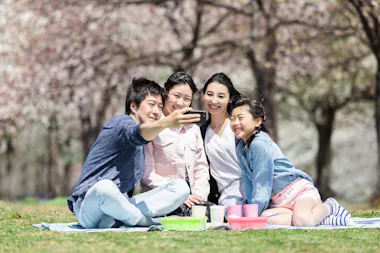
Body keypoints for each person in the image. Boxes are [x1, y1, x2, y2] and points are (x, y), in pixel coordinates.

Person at [67, 77, 201, 228]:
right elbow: (135, 133)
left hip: (120, 205)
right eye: (151, 105)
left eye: (160, 106)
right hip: (90, 206)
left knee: (181, 187)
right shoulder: (120, 123)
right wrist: (167, 122)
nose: (156, 111)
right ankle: (142, 221)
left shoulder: (146, 137)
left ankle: (119, 219)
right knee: (104, 187)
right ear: (133, 106)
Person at [230, 97, 353, 226]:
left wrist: (253, 215)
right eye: (232, 119)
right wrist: (252, 211)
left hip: (298, 193)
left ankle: (329, 206)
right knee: (265, 219)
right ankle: (324, 219)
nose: (235, 123)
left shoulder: (259, 144)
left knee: (302, 222)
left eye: (240, 118)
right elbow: (248, 181)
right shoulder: (241, 148)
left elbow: (262, 183)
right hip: (279, 202)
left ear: (257, 121)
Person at [141, 72, 210, 208]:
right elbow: (146, 172)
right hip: (159, 200)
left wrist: (199, 196)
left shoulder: (193, 129)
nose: (180, 103)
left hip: (191, 201)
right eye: (176, 96)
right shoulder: (153, 126)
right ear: (166, 93)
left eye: (186, 98)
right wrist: (177, 195)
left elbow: (200, 167)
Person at [200, 73, 245, 206]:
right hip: (226, 195)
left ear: (230, 99)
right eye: (209, 94)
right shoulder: (201, 132)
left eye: (221, 96)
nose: (214, 100)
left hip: (250, 185)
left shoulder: (237, 126)